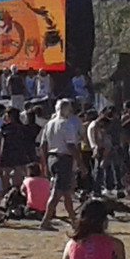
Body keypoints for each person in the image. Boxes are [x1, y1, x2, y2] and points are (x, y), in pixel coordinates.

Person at [39, 98, 81, 229]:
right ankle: (45, 221)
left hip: (52, 157)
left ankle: (74, 220)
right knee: (57, 192)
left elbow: (43, 145)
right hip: (63, 159)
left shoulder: (49, 124)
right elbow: (71, 146)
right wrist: (80, 163)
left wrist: (45, 163)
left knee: (66, 191)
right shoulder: (66, 124)